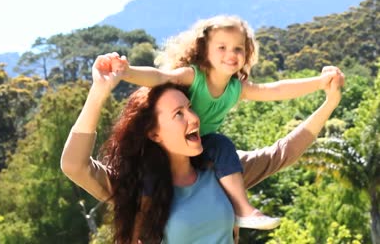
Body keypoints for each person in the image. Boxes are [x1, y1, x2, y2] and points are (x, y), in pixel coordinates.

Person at [60, 57, 344, 243]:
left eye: (190, 108)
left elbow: (281, 153)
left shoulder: (222, 170)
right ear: (154, 133)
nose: (194, 118)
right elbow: (74, 165)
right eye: (178, 114)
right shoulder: (136, 185)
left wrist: (328, 104)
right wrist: (99, 92)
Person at [101, 14, 339, 229]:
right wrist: (126, 71)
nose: (231, 54)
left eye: (238, 48)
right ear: (204, 50)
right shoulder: (193, 76)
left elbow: (275, 90)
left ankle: (242, 209)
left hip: (200, 146)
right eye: (222, 47)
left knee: (221, 145)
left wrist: (320, 83)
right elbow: (159, 77)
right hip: (163, 149)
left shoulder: (235, 88)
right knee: (149, 189)